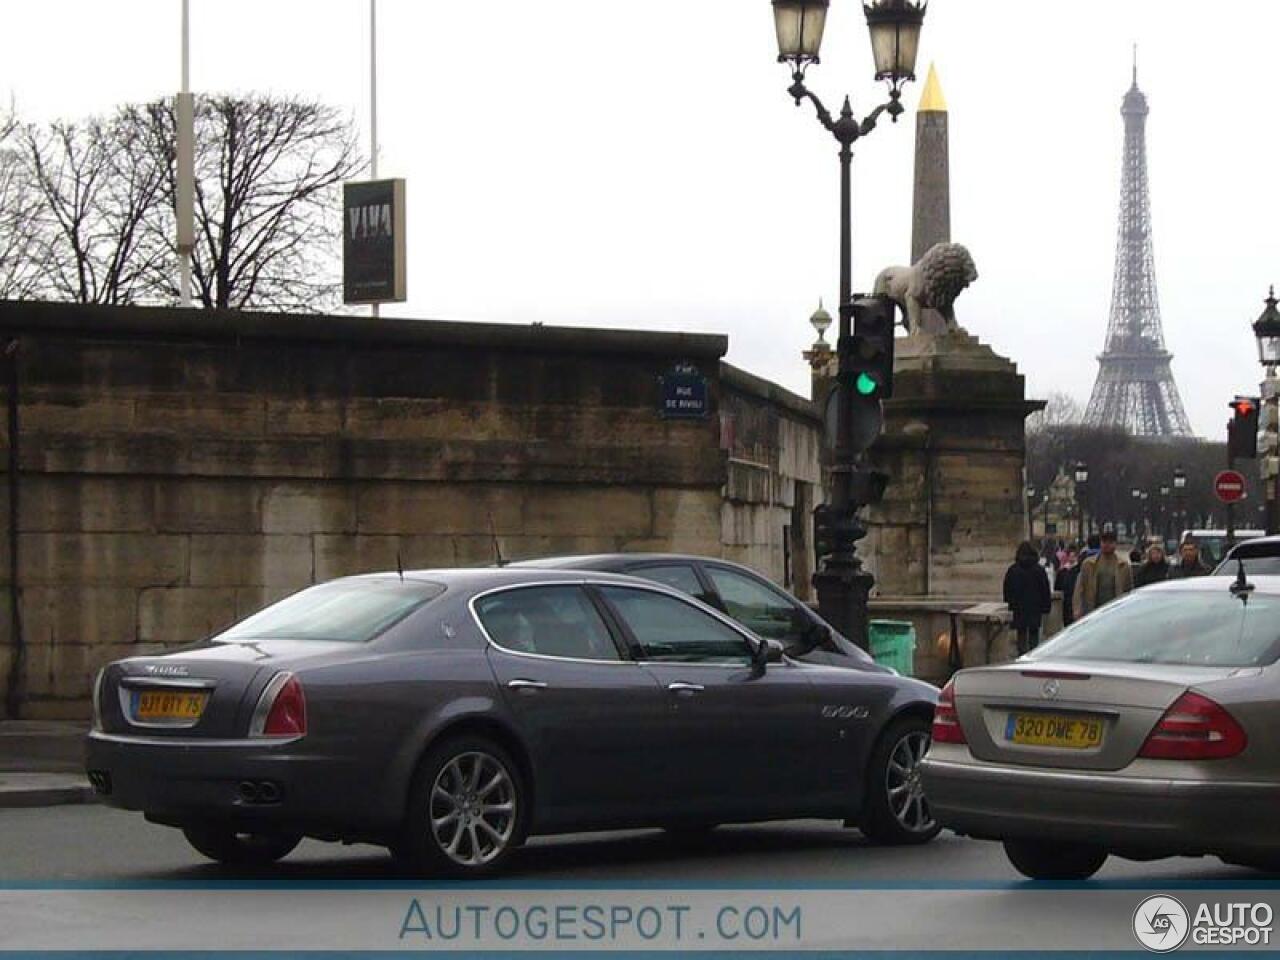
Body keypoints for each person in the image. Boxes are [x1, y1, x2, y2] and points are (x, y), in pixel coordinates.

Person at [1004, 541, 1053, 655]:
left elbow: (1007, 589)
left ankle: (1022, 654)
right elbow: (1045, 589)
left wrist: (1009, 604)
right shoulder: (1039, 570)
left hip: (1018, 607)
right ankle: (1033, 654)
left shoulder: (1013, 570)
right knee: (1034, 634)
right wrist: (1046, 607)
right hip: (1035, 607)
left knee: (1021, 633)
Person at [1073, 529, 1133, 618]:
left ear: (1115, 544)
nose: (1107, 545)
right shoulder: (1089, 564)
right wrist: (1077, 609)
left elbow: (1129, 590)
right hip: (1093, 610)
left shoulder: (1123, 566)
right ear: (1100, 543)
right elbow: (1079, 588)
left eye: (1110, 542)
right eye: (1104, 542)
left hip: (1116, 611)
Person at [1054, 547, 1080, 626]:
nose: (1072, 558)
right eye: (1070, 556)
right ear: (1067, 557)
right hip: (1065, 600)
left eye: (1074, 556)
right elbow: (1057, 586)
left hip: (1075, 599)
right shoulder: (1062, 571)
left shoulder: (1079, 570)